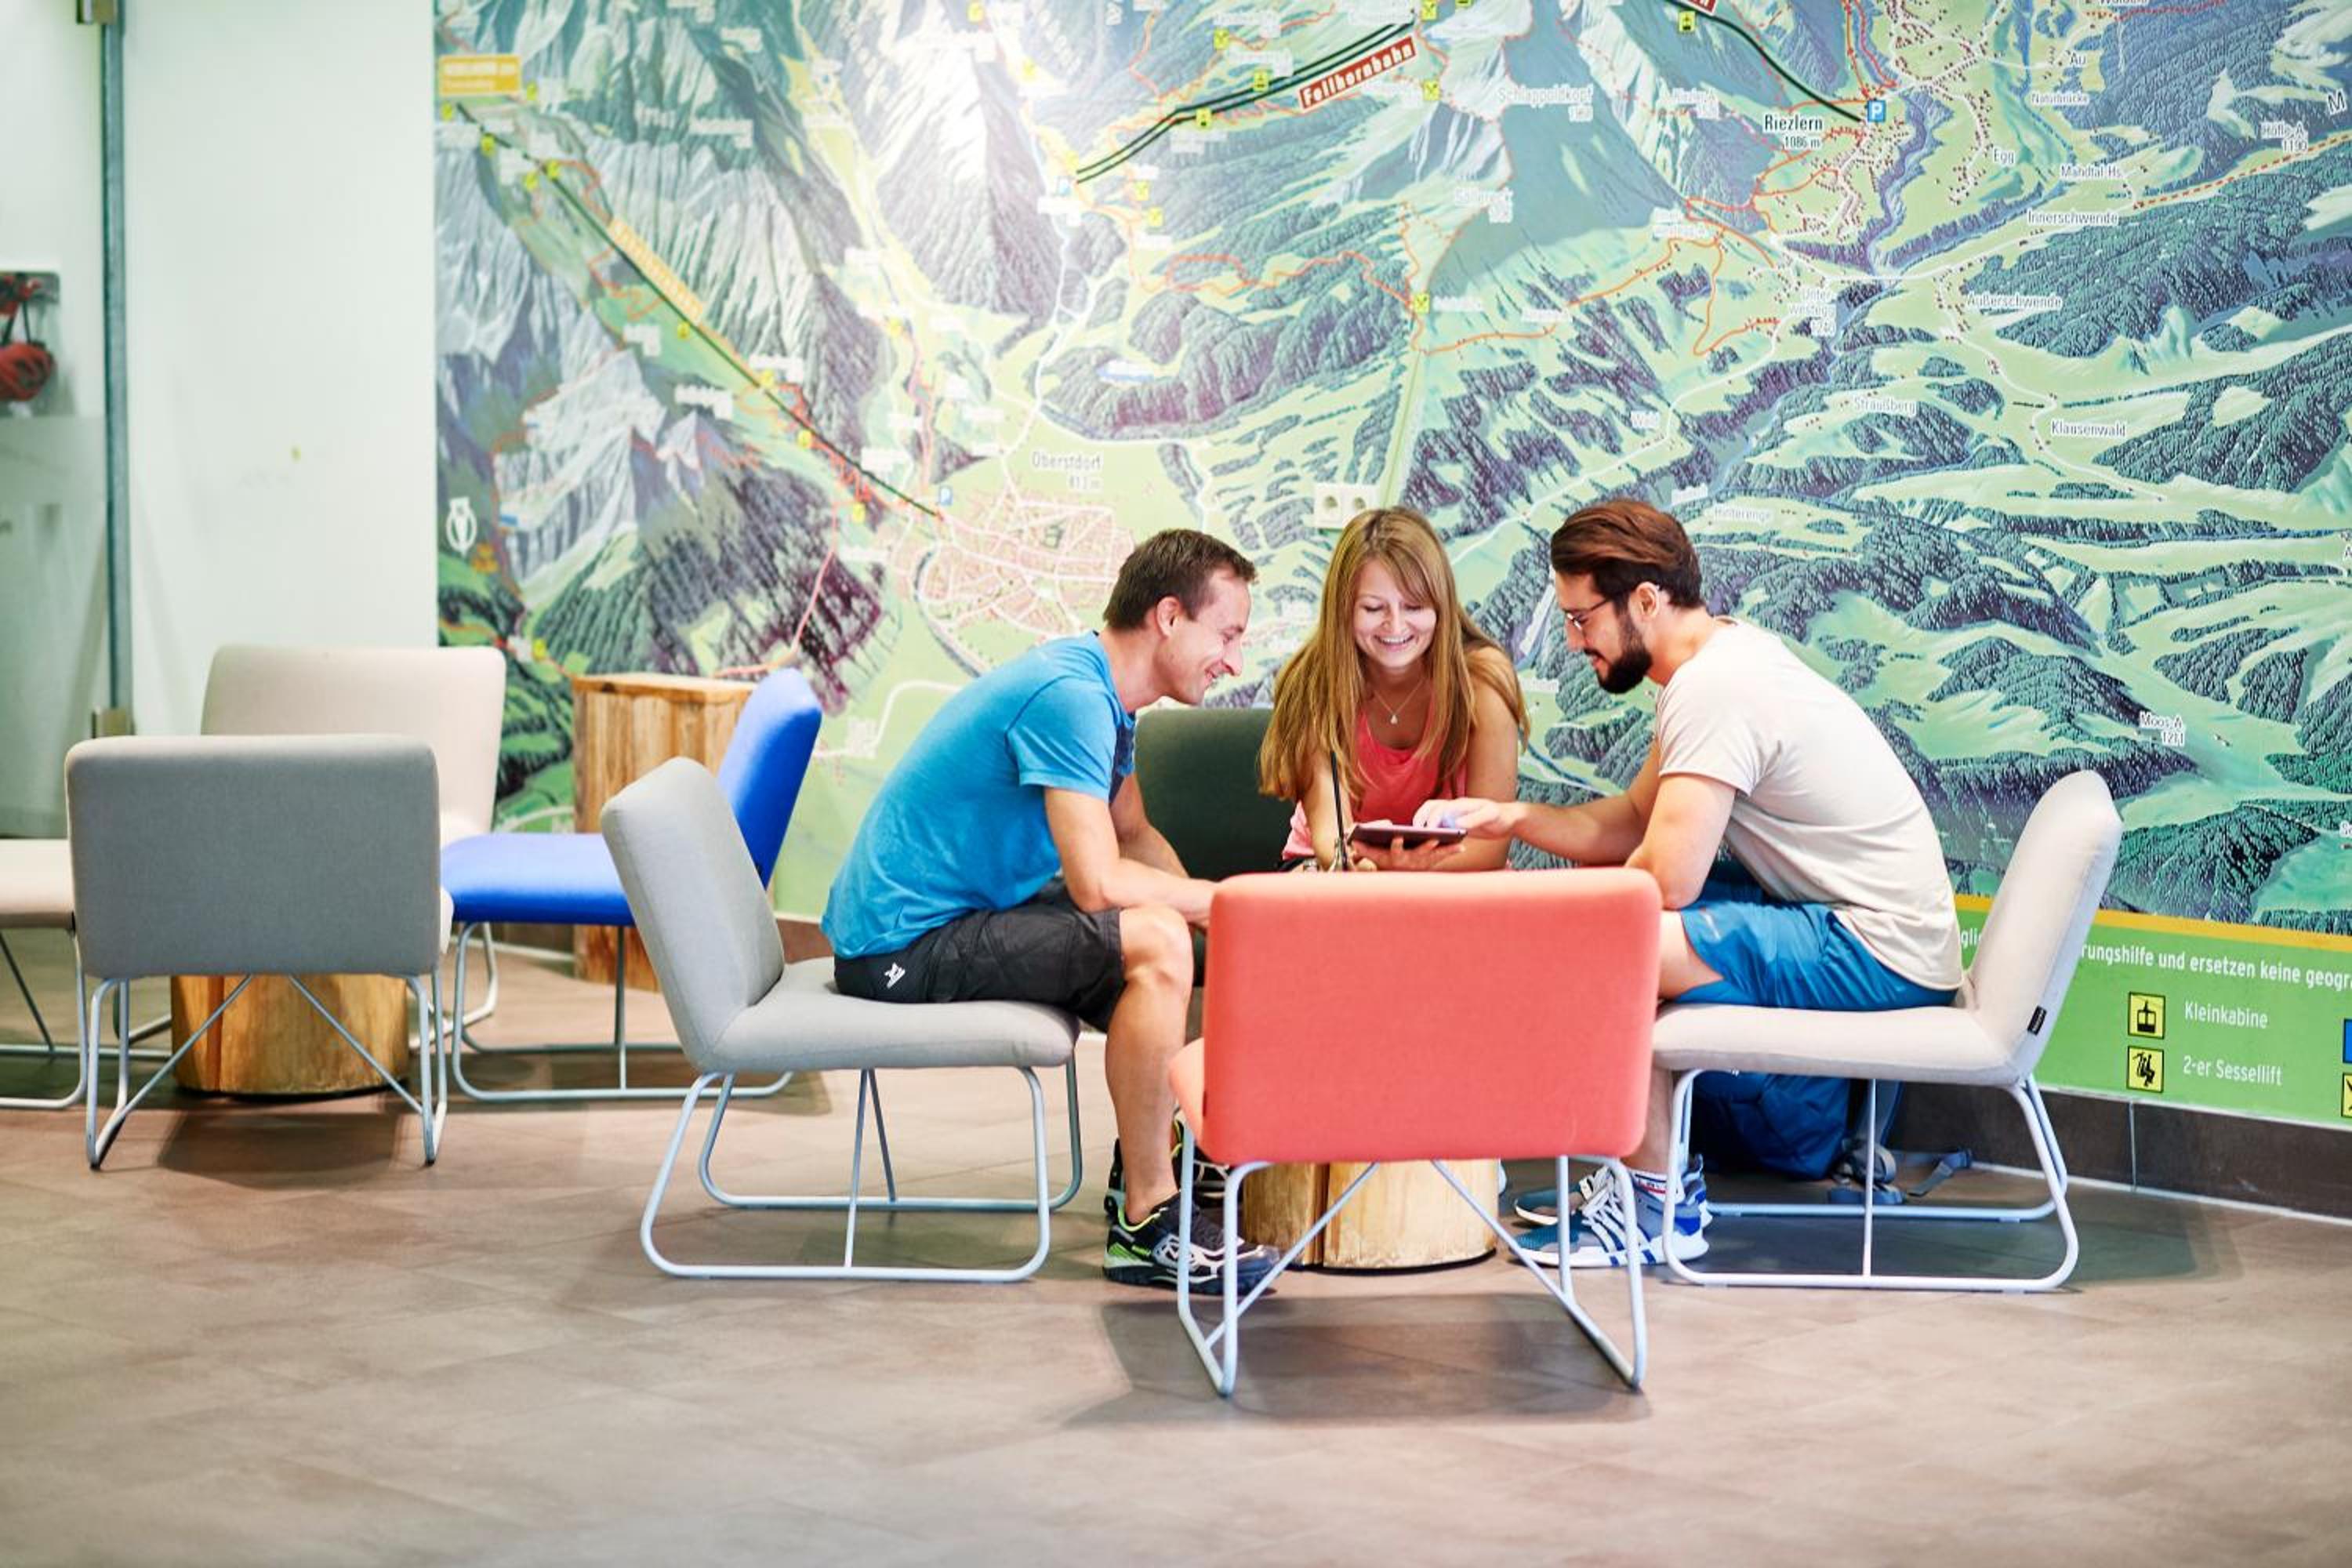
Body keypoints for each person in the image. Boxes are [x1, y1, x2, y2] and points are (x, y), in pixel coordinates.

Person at [1417, 497, 1962, 1268]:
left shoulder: (1715, 689)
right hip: (1872, 932)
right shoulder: (1715, 665)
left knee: (1614, 947)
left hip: (1876, 947)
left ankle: (1652, 1210)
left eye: (1582, 619)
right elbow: (1631, 823)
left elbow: (1666, 880)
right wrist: (1510, 817)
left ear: (1644, 599)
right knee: (1605, 921)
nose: (1573, 641)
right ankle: (1642, 1181)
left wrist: (1546, 913)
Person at [822, 529, 1277, 1290]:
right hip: (898, 947)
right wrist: (1226, 903)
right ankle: (1147, 1222)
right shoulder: (1072, 699)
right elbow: (1097, 882)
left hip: (952, 919)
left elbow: (1133, 833)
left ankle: (1152, 1168)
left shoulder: (1104, 696)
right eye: (1227, 634)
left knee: (1171, 942)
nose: (1233, 659)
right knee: (1158, 938)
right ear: (1169, 616)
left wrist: (1224, 929)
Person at [1258, 506, 1526, 872]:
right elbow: (1331, 840)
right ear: (1343, 610)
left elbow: (1489, 848)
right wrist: (1378, 873)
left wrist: (1400, 874)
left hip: (1455, 873)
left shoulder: (1483, 680)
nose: (1396, 625)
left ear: (1441, 606)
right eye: (1373, 608)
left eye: (1414, 606)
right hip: (1341, 873)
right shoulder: (1314, 681)